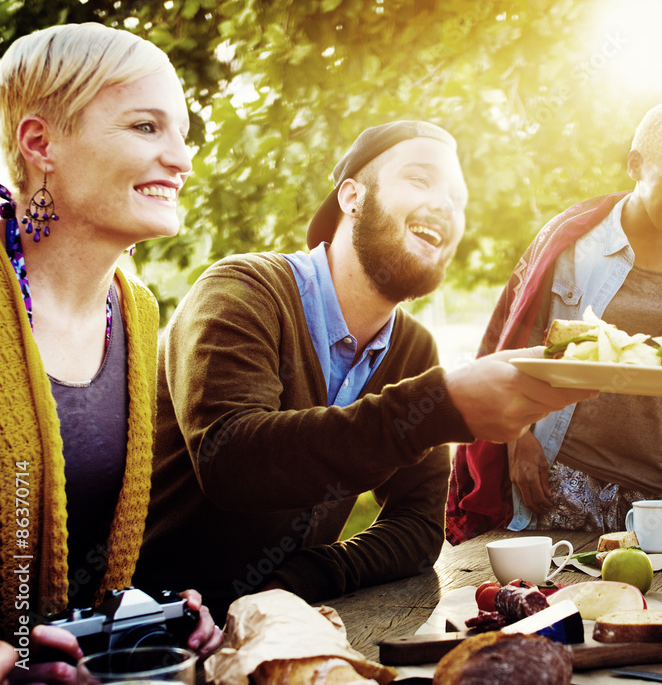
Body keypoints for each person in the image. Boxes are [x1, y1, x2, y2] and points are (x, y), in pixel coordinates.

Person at [135, 120, 595, 620]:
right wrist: (439, 408)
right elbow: (231, 461)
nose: (445, 205)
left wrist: (303, 576)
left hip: (283, 626)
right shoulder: (242, 291)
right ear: (352, 196)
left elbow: (418, 529)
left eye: (458, 199)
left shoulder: (413, 348)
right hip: (149, 634)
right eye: (421, 179)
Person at [0, 23, 221, 680]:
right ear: (40, 143)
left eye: (181, 133)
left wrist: (143, 615)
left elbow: (86, 559)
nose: (181, 160)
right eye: (146, 128)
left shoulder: (136, 312)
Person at [446, 103, 662, 544]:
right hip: (567, 480)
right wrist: (518, 440)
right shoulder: (570, 241)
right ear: (636, 164)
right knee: (562, 608)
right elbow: (514, 343)